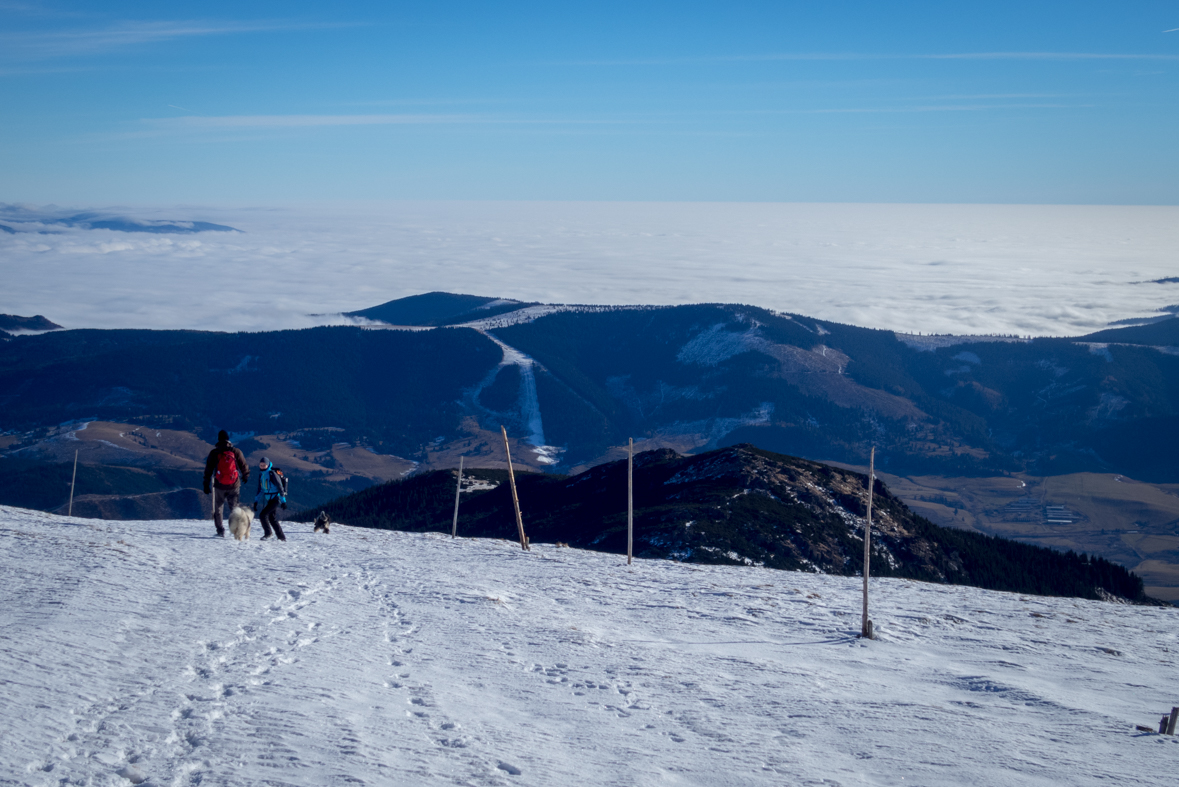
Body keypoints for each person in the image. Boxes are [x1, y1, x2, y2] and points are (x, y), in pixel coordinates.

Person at [203, 430, 250, 537]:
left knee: (218, 509)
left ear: (219, 439)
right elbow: (243, 464)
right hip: (234, 485)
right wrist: (245, 475)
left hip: (219, 485)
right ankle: (238, 530)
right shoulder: (235, 451)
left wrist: (206, 483)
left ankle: (220, 531)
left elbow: (208, 469)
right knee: (234, 509)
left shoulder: (214, 453)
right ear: (228, 439)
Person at [252, 457, 288, 541]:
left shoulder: (272, 474)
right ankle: (281, 537)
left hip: (275, 499)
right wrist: (256, 501)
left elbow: (280, 487)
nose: (262, 466)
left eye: (264, 465)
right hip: (269, 499)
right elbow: (260, 489)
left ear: (268, 465)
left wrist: (283, 501)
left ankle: (268, 533)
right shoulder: (262, 475)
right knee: (272, 518)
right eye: (261, 465)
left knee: (263, 515)